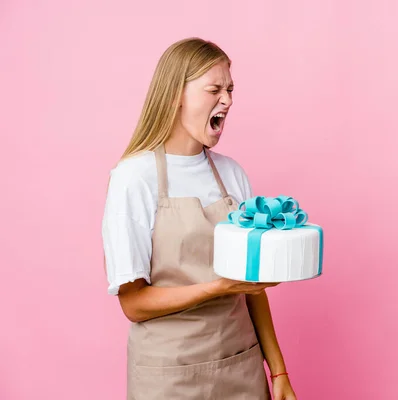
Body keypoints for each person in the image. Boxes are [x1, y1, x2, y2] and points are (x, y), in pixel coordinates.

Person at [101, 37, 297, 400]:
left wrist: (278, 369)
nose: (228, 100)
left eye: (231, 89)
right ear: (176, 94)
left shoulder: (232, 174)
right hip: (168, 375)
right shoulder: (133, 178)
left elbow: (250, 289)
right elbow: (134, 303)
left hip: (241, 365)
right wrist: (217, 287)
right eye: (214, 89)